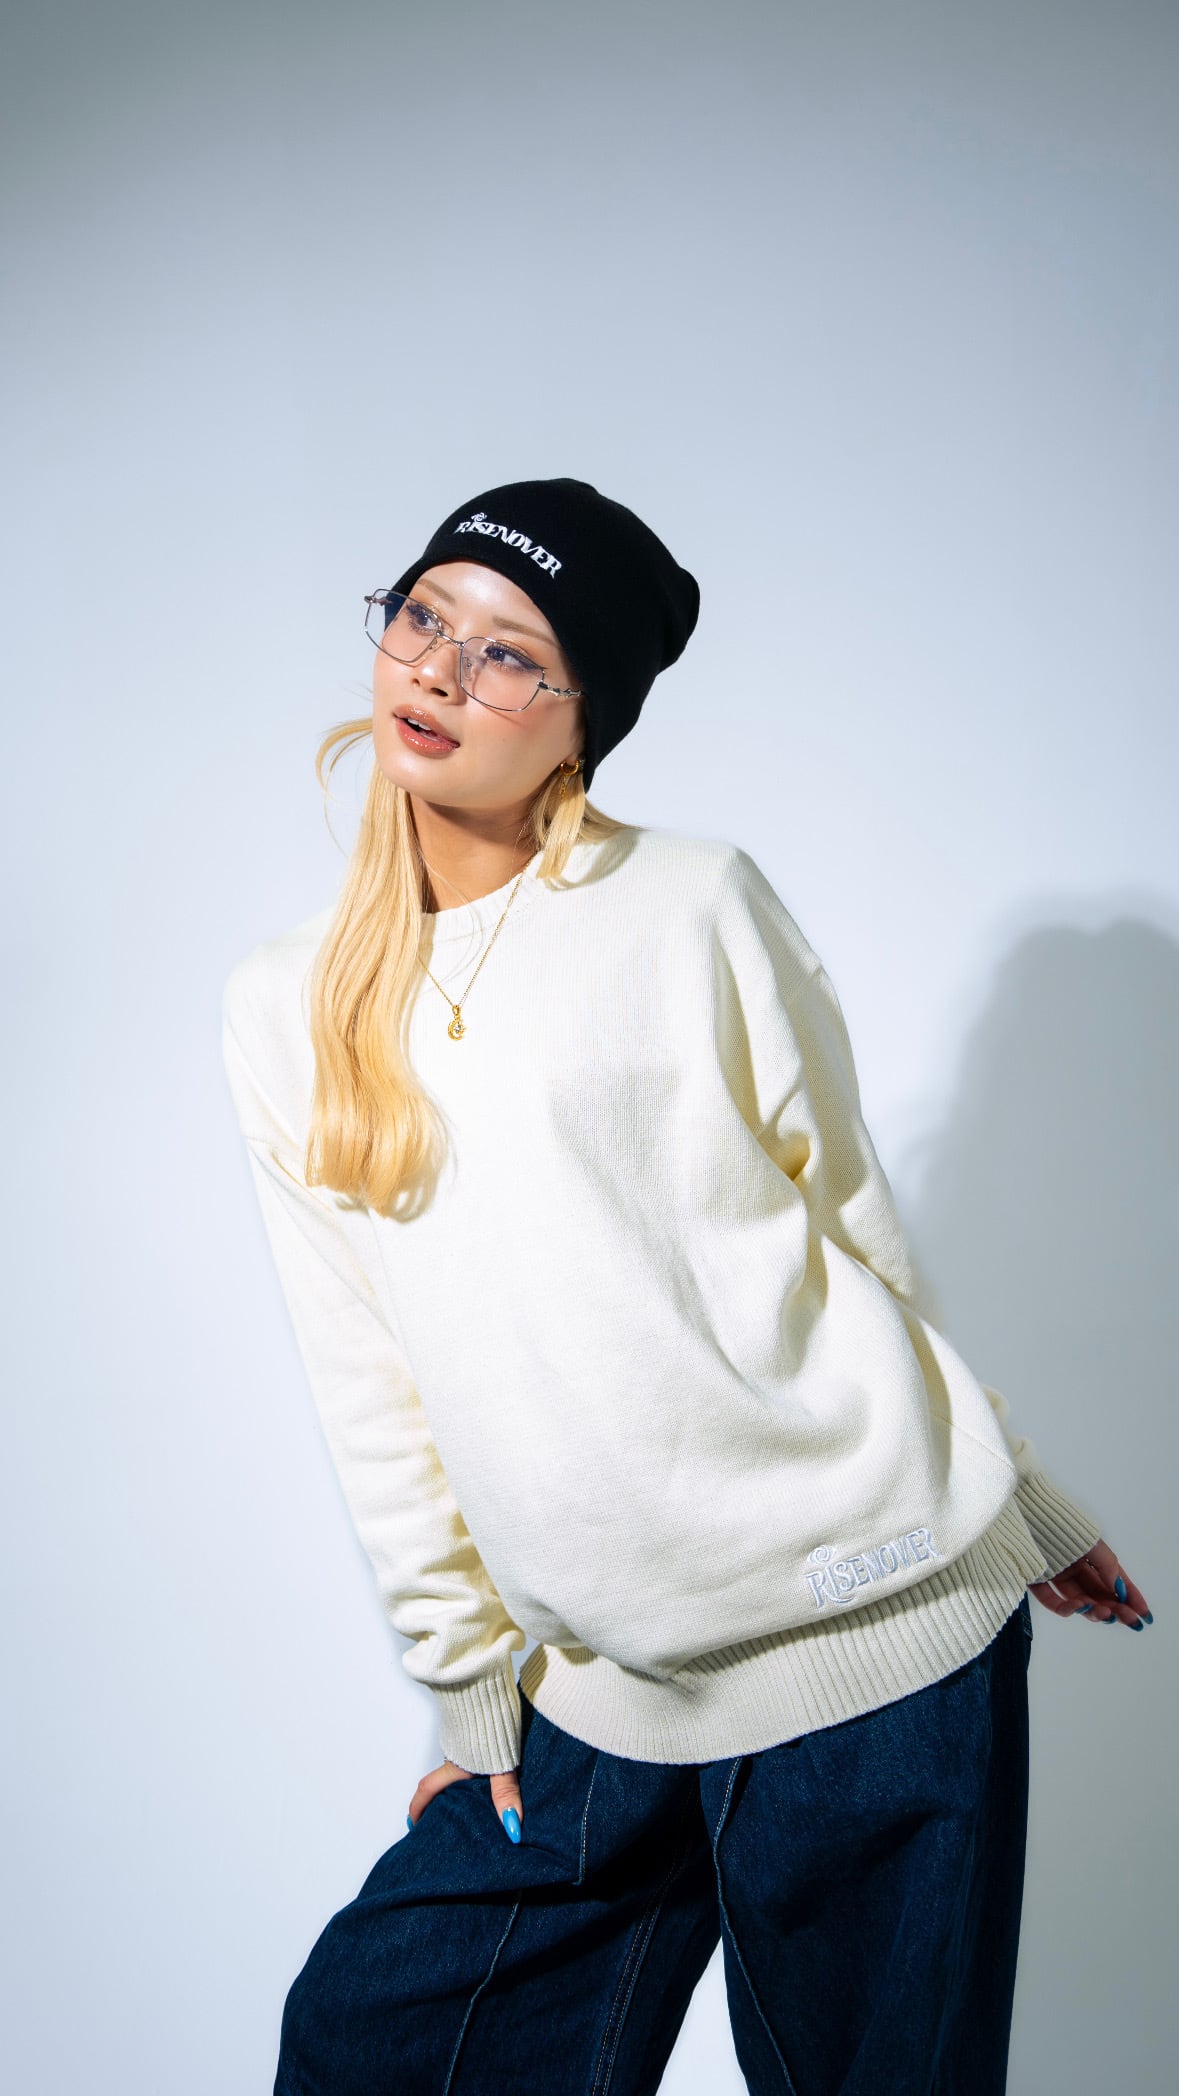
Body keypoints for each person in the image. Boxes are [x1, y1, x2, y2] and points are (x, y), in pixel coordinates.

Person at [221, 476, 1150, 2096]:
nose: (439, 671)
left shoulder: (691, 902)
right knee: (373, 2041)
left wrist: (1020, 1496)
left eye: (510, 654)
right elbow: (367, 1374)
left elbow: (853, 1235)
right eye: (425, 616)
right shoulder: (284, 1004)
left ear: (583, 724)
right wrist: (472, 1699)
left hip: (876, 1631)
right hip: (603, 1693)